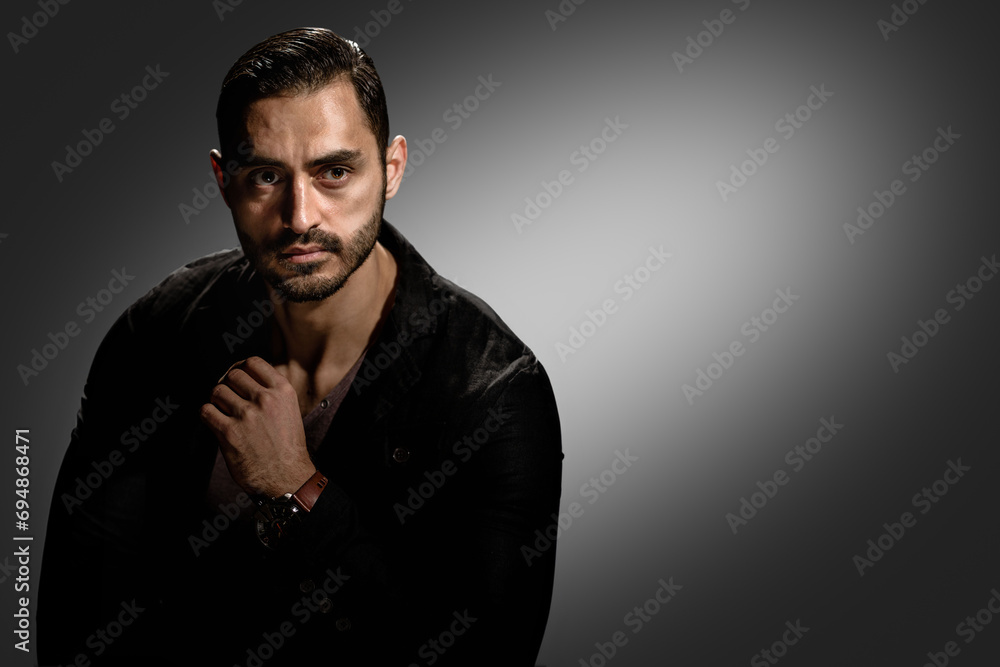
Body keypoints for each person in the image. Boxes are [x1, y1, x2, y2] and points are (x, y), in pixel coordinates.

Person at [39, 27, 562, 666]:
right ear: (223, 178)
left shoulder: (494, 391)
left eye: (334, 171)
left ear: (392, 168)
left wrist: (295, 489)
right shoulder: (157, 332)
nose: (301, 215)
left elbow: (483, 656)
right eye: (265, 175)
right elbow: (79, 612)